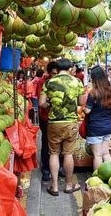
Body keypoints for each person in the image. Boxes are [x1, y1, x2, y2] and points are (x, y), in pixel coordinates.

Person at [39, 58, 85, 196]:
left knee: (53, 153)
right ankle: (69, 185)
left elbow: (41, 103)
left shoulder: (49, 82)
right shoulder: (77, 81)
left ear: (57, 68)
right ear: (70, 68)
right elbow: (82, 102)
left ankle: (54, 186)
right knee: (68, 154)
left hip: (53, 123)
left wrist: (52, 105)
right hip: (71, 122)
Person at [84, 66, 111, 169]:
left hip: (95, 128)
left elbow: (87, 111)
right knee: (105, 153)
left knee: (97, 155)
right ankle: (110, 175)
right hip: (108, 126)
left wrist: (84, 108)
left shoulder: (93, 93)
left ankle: (97, 179)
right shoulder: (110, 91)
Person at [35, 61, 58, 182]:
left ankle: (57, 167)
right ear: (48, 73)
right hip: (46, 118)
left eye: (57, 73)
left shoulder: (61, 82)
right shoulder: (42, 82)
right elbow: (41, 101)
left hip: (58, 119)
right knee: (46, 143)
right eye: (53, 73)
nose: (55, 76)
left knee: (57, 144)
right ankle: (46, 169)